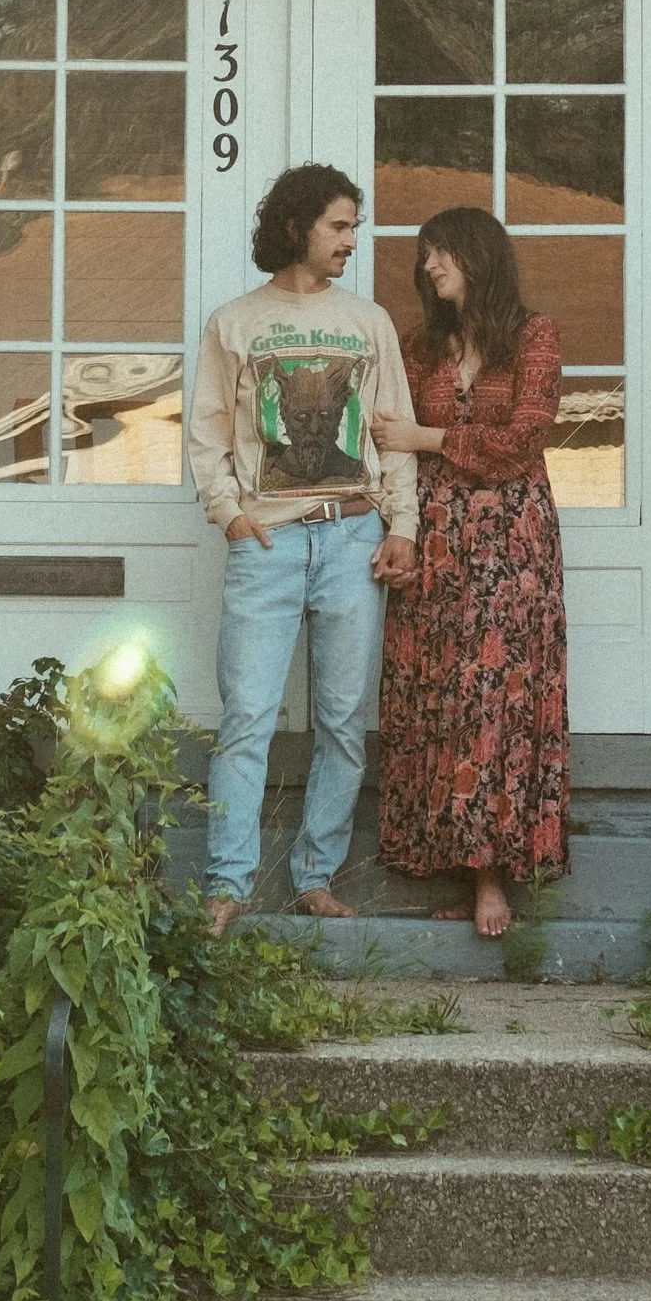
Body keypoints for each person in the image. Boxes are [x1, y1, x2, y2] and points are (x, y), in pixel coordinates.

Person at [187, 161, 418, 940]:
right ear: (298, 228)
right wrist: (230, 515)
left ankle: (315, 878)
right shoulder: (235, 322)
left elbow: (394, 435)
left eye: (354, 225)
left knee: (344, 721)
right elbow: (207, 433)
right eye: (340, 226)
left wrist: (403, 526)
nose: (352, 241)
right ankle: (227, 884)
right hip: (271, 540)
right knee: (247, 717)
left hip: (354, 534)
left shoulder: (368, 321)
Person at [368, 204, 569, 940]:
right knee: (441, 700)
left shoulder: (533, 336)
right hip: (436, 537)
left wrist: (426, 436)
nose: (429, 267)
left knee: (497, 702)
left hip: (512, 544)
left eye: (441, 253)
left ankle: (493, 877)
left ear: (479, 256)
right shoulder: (419, 344)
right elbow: (382, 433)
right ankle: (453, 866)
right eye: (425, 257)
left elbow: (520, 442)